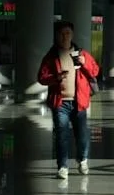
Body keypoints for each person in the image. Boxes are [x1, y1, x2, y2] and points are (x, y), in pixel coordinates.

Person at [37, 21, 100, 179]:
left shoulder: (82, 54)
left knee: (82, 135)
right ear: (57, 36)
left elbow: (95, 71)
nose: (65, 36)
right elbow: (41, 77)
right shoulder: (51, 56)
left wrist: (84, 65)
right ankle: (62, 166)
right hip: (60, 102)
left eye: (68, 33)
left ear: (72, 35)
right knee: (61, 135)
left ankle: (82, 159)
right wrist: (56, 77)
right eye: (62, 33)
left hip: (79, 101)